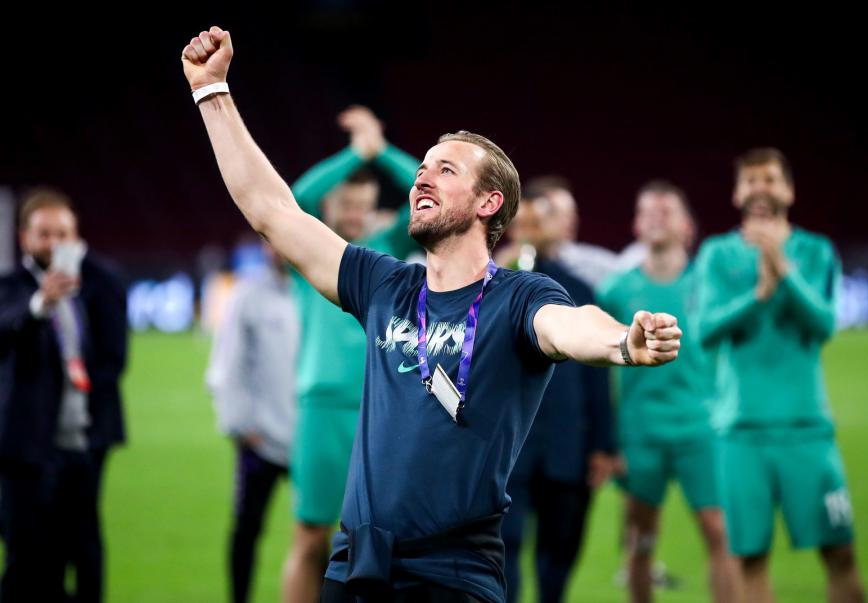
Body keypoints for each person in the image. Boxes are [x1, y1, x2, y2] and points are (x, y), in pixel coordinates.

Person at [180, 27, 682, 603]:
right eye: (422, 167)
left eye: (445, 170)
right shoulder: (382, 283)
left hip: (453, 573)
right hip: (357, 565)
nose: (422, 176)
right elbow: (272, 210)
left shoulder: (519, 296)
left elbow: (568, 325)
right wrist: (212, 91)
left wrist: (622, 343)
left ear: (489, 203)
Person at [696, 148, 865, 603]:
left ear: (788, 190)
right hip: (742, 433)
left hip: (807, 429)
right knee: (750, 559)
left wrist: (782, 269)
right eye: (750, 180)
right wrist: (758, 294)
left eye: (769, 179)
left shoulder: (815, 250)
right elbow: (705, 331)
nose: (760, 189)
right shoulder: (717, 254)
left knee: (841, 552)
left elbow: (824, 325)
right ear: (737, 194)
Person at [281, 105, 420, 603]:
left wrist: (381, 151)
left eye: (364, 204)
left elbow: (426, 196)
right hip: (322, 407)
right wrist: (354, 155)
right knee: (310, 536)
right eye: (346, 203)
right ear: (331, 206)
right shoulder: (309, 252)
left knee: (375, 539)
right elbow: (297, 198)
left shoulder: (386, 249)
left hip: (381, 409)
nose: (356, 213)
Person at [598, 181, 739, 603]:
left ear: (687, 226)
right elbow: (597, 364)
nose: (656, 219)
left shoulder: (712, 284)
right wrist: (608, 439)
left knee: (720, 532)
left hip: (701, 427)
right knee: (640, 537)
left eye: (666, 211)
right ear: (636, 226)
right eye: (648, 212)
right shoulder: (616, 290)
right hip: (640, 431)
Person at [0, 187, 128, 603]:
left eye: (63, 234)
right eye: (44, 234)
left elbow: (114, 359)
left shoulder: (96, 283)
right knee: (27, 558)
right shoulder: (11, 288)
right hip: (26, 450)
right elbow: (7, 328)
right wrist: (41, 304)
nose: (54, 244)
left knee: (85, 551)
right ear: (24, 238)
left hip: (84, 444)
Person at [499, 195, 618, 603]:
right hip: (508, 445)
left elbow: (597, 377)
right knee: (502, 546)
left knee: (559, 552)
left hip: (565, 445)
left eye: (537, 222)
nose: (529, 231)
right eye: (522, 223)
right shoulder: (491, 284)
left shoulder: (579, 289)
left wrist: (602, 445)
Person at [207, 240, 299, 603]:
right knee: (247, 528)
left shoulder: (320, 292)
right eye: (272, 241)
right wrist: (240, 426)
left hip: (310, 439)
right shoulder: (246, 295)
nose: (281, 248)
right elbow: (226, 364)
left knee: (317, 532)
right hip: (260, 440)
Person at [523, 176, 646, 289]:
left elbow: (623, 270)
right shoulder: (516, 264)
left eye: (571, 213)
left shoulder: (586, 263)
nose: (571, 220)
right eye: (555, 213)